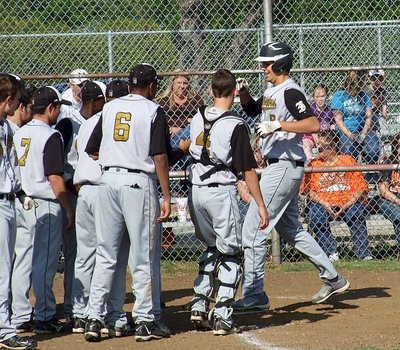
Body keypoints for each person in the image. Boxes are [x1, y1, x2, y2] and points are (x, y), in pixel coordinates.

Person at [233, 41, 350, 312]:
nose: (263, 68)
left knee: (253, 227)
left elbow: (313, 123)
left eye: (267, 64)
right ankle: (332, 277)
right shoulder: (274, 90)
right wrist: (246, 94)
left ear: (281, 65)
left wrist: (279, 125)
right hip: (280, 166)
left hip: (284, 166)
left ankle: (254, 294)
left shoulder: (290, 91)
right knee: (290, 230)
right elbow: (253, 111)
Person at [84, 63, 172, 342]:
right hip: (137, 182)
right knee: (142, 256)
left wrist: (116, 155)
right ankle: (145, 321)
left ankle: (93, 319)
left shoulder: (110, 107)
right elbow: (160, 156)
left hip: (107, 182)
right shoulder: (152, 109)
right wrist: (167, 194)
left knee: (107, 255)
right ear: (150, 86)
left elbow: (93, 148)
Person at [187, 69, 268, 335]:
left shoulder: (197, 115)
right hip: (220, 193)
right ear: (235, 92)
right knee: (232, 253)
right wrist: (260, 203)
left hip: (195, 192)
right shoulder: (235, 124)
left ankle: (199, 304)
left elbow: (189, 146)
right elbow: (247, 170)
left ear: (211, 91)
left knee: (213, 247)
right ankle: (222, 313)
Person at [71, 81, 130, 336]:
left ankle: (79, 314)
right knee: (111, 256)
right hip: (104, 191)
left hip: (83, 192)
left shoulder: (85, 124)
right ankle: (111, 315)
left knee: (85, 257)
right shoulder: (110, 120)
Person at [13, 86, 75, 333]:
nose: (59, 112)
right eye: (58, 107)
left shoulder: (16, 132)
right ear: (50, 108)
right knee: (44, 262)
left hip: (20, 201)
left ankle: (20, 313)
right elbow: (54, 177)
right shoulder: (51, 135)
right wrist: (68, 208)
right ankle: (45, 315)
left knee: (22, 260)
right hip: (43, 203)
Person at [55, 80, 106, 322]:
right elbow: (59, 159)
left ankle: (90, 307)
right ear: (93, 102)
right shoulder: (69, 123)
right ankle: (73, 308)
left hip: (92, 192)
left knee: (95, 252)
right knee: (77, 254)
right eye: (101, 101)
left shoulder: (99, 121)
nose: (104, 104)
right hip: (72, 192)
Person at [0, 74, 37, 350]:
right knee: (3, 271)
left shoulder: (7, 127)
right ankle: (4, 331)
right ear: (9, 100)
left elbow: (10, 167)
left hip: (9, 200)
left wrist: (20, 191)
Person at [302, 130, 373, 261]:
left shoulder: (347, 160)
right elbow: (310, 192)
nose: (318, 148)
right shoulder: (314, 164)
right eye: (317, 144)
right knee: (316, 213)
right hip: (324, 203)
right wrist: (325, 204)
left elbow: (360, 188)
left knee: (355, 212)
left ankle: (363, 253)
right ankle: (331, 252)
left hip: (349, 202)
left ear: (333, 145)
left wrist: (346, 205)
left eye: (322, 145)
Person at [331, 70, 380, 168]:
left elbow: (368, 116)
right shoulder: (340, 95)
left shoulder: (363, 95)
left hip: (363, 129)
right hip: (346, 130)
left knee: (373, 149)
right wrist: (350, 135)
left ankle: (371, 177)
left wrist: (363, 133)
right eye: (363, 80)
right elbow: (338, 120)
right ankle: (352, 177)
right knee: (348, 150)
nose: (365, 82)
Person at [302, 84, 335, 161]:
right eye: (317, 97)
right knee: (306, 143)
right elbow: (312, 128)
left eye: (322, 96)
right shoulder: (311, 109)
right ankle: (311, 160)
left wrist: (332, 137)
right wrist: (317, 141)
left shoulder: (329, 110)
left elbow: (332, 125)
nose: (320, 99)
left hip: (324, 136)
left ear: (326, 96)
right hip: (311, 136)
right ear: (313, 97)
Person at [378, 133, 400, 246]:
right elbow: (383, 190)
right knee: (399, 217)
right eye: (399, 145)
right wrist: (398, 201)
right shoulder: (389, 162)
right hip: (391, 198)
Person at [364, 69, 388, 137]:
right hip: (363, 114)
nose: (377, 82)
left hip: (375, 115)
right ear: (369, 79)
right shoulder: (365, 90)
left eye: (380, 80)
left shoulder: (382, 92)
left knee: (381, 120)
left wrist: (383, 121)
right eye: (374, 79)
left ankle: (385, 137)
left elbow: (384, 110)